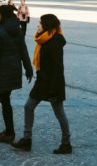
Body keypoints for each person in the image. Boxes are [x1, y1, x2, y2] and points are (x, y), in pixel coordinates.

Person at [12, 13, 71, 154]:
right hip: (42, 82)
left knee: (59, 113)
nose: (37, 25)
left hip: (52, 84)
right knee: (28, 107)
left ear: (47, 26)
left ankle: (66, 143)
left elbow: (58, 68)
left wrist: (55, 89)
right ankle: (27, 139)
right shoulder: (43, 40)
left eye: (40, 23)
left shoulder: (54, 43)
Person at [0, 3, 32, 144]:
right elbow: (23, 50)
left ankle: (10, 133)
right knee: (5, 100)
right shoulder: (17, 29)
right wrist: (28, 68)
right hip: (14, 69)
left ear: (3, 16)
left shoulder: (0, 32)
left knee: (5, 101)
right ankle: (8, 130)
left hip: (3, 70)